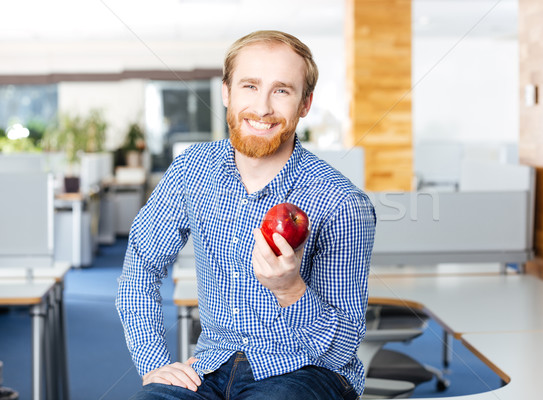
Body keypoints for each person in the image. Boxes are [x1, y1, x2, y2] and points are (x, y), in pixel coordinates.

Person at [116, 30, 376, 400]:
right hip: (210, 366)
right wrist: (152, 362)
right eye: (250, 86)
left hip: (304, 371)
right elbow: (141, 265)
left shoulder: (341, 202)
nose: (263, 108)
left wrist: (290, 289)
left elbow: (340, 351)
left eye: (282, 90)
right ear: (226, 92)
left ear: (305, 104)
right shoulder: (193, 171)